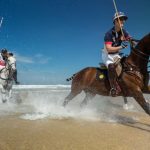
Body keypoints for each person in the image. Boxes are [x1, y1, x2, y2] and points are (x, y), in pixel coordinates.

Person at [102, 12, 131, 96]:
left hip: (116, 54)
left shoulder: (124, 31)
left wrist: (128, 39)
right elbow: (109, 49)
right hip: (107, 55)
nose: (123, 21)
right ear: (115, 21)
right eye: (120, 19)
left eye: (123, 20)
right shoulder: (109, 34)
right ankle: (113, 88)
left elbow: (129, 38)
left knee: (126, 65)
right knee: (111, 67)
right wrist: (121, 47)